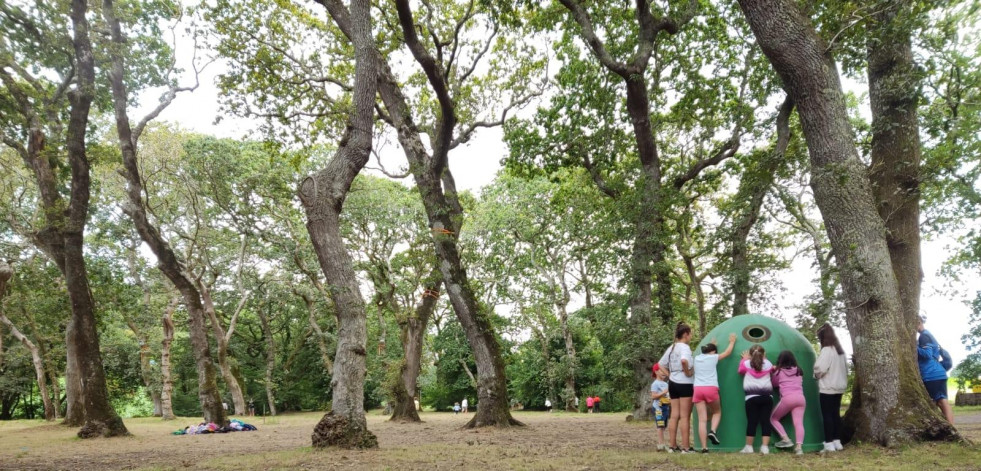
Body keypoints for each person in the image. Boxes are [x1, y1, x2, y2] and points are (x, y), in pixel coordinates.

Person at [693, 333, 737, 453]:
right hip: (710, 388)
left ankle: (704, 448)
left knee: (702, 420)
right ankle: (712, 431)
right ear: (713, 352)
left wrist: (712, 345)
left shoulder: (697, 358)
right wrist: (732, 342)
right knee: (717, 412)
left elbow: (708, 352)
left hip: (698, 389)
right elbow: (727, 353)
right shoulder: (713, 357)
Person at [658, 322, 695, 453]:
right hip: (684, 383)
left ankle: (672, 446)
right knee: (685, 416)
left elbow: (659, 364)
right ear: (685, 334)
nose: (691, 337)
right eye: (690, 334)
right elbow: (684, 361)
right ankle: (686, 447)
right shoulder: (684, 347)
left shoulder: (671, 348)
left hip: (672, 383)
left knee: (674, 416)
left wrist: (669, 375)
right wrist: (686, 372)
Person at [814, 323, 848, 452]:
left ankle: (828, 443)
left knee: (827, 415)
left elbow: (819, 368)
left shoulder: (827, 350)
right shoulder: (840, 351)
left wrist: (816, 375)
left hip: (828, 387)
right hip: (839, 387)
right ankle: (837, 441)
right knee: (835, 414)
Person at [738, 344, 774, 454]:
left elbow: (740, 370)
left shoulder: (746, 364)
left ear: (750, 354)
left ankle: (749, 447)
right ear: (763, 354)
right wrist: (764, 358)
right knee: (765, 421)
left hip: (751, 397)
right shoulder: (768, 364)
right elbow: (769, 368)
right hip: (767, 397)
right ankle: (765, 447)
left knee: (752, 421)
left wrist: (744, 359)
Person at [917, 318, 954, 424]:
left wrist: (913, 346)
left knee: (938, 402)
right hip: (939, 373)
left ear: (918, 323)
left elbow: (927, 354)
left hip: (931, 374)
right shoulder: (929, 335)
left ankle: (950, 428)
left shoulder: (924, 336)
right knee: (942, 401)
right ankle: (951, 428)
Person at [770, 350, 806, 455]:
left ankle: (785, 439)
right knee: (798, 423)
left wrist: (774, 370)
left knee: (773, 418)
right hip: (800, 398)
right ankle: (799, 448)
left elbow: (773, 384)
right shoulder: (799, 371)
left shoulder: (779, 372)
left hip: (788, 398)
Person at [650, 363, 671, 451]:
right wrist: (664, 392)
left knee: (664, 426)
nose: (663, 372)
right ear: (656, 372)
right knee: (660, 425)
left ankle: (662, 443)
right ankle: (661, 444)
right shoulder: (655, 384)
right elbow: (653, 396)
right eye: (661, 370)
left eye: (664, 371)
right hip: (658, 408)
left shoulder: (666, 383)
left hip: (665, 408)